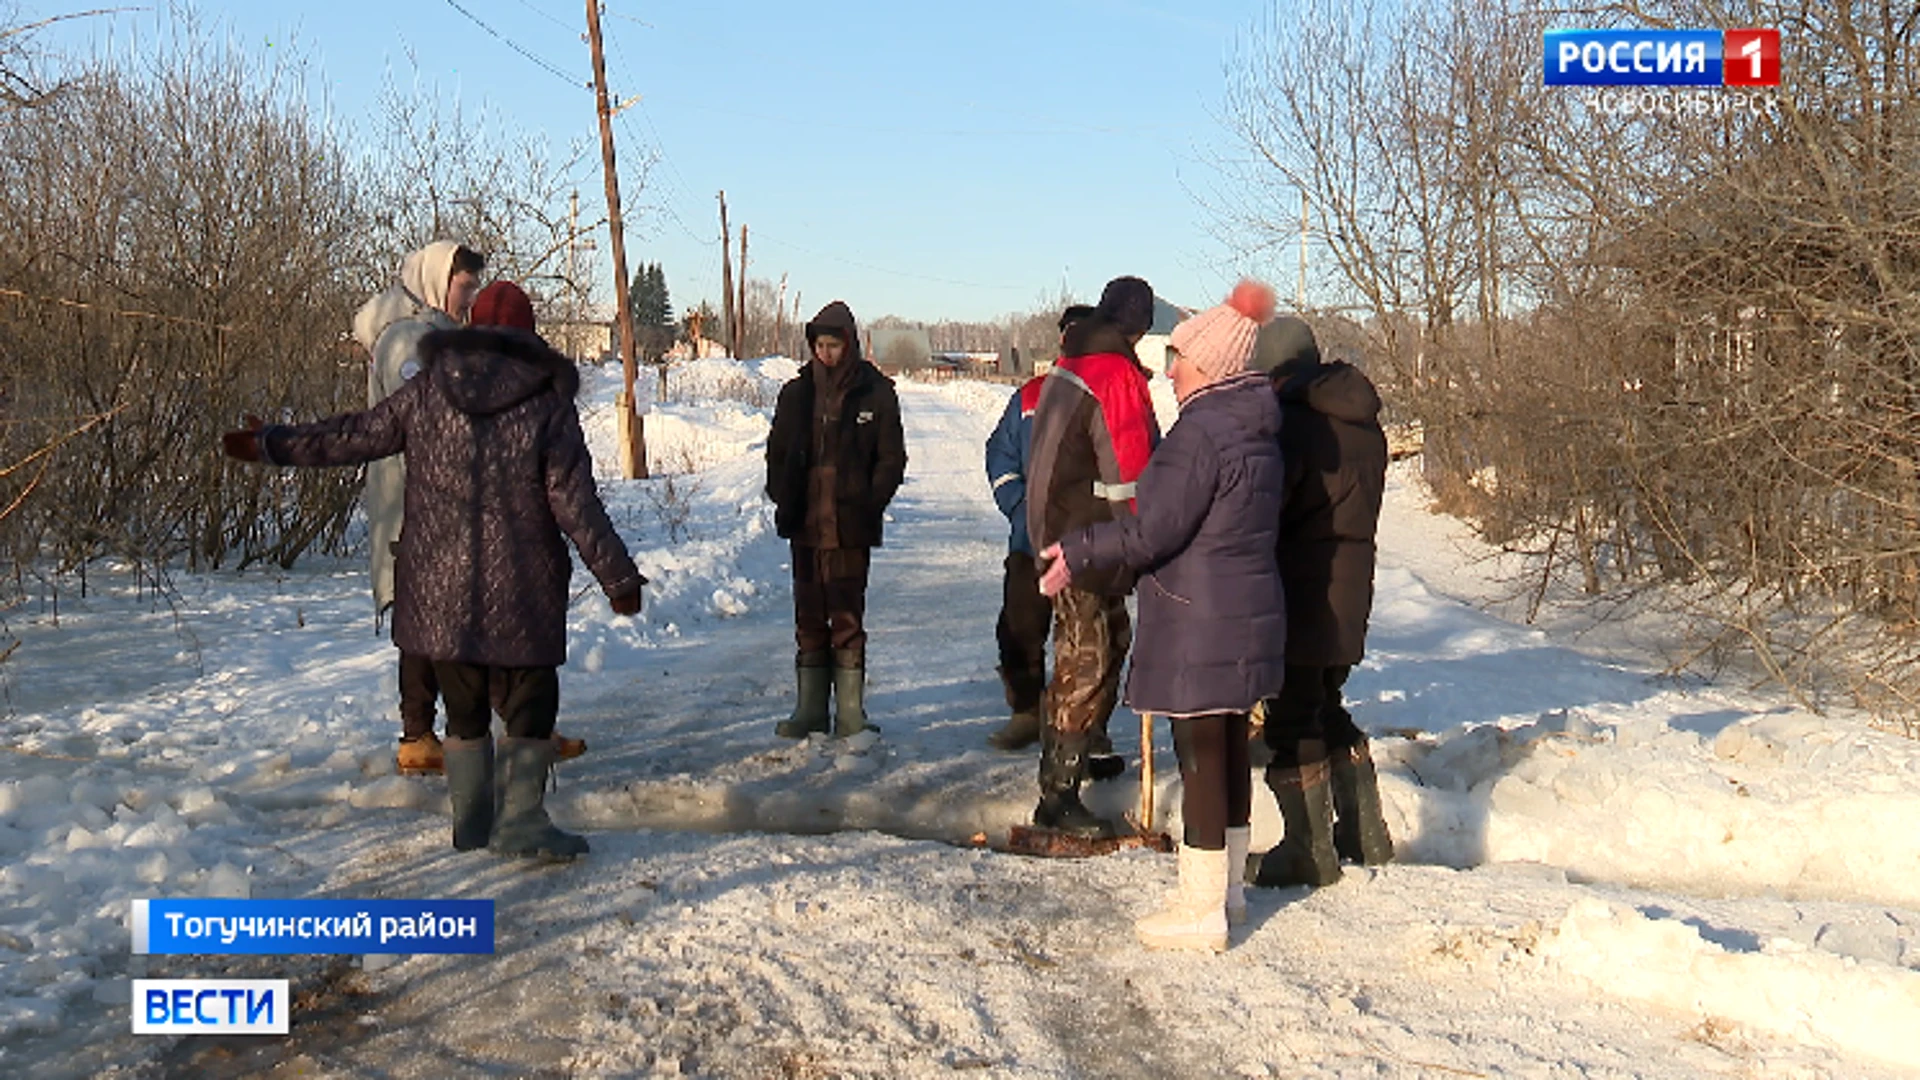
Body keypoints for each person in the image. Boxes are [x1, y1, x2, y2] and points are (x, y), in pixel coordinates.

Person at [223, 281, 644, 859]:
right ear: (529, 335)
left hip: (439, 587)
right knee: (529, 700)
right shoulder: (546, 401)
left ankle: (471, 825)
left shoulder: (427, 392)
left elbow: (353, 435)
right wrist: (617, 578)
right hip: (523, 584)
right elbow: (574, 502)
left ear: (469, 328)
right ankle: (521, 822)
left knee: (464, 709)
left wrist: (272, 442)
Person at [1039, 281, 1286, 952]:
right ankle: (1227, 892)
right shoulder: (1254, 427)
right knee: (1229, 749)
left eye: (1180, 357)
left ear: (1210, 365)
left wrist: (1083, 545)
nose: (1169, 370)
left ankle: (1199, 909)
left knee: (1202, 755)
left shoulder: (1203, 432)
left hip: (1198, 613)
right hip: (1240, 608)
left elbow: (1153, 530)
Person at [1247, 316, 1394, 888]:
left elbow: (1272, 508)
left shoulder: (1293, 427)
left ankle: (1308, 850)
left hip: (1301, 585)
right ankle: (1365, 833)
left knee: (1292, 717)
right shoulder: (1363, 424)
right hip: (1350, 586)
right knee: (1325, 704)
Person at [1024, 277, 1161, 835]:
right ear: (1141, 326)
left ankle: (1083, 754)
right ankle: (1057, 793)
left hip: (1063, 530)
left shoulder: (1070, 361)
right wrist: (1148, 537)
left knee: (1108, 642)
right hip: (1083, 540)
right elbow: (1130, 473)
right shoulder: (1112, 373)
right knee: (1086, 656)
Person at [765, 301, 908, 739]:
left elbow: (891, 458)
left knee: (846, 617)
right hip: (805, 523)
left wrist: (869, 501)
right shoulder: (796, 393)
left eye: (834, 345)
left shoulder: (876, 392)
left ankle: (850, 714)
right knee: (809, 616)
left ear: (849, 344)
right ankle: (808, 711)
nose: (826, 353)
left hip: (850, 527)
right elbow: (778, 451)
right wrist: (782, 493)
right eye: (820, 345)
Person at [982, 303, 1096, 750]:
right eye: (1069, 335)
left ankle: (1085, 728)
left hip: (1087, 542)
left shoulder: (1107, 394)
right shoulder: (1030, 396)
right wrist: (1017, 503)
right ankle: (1026, 711)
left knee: (1086, 642)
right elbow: (1000, 454)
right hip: (1029, 541)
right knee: (1019, 626)